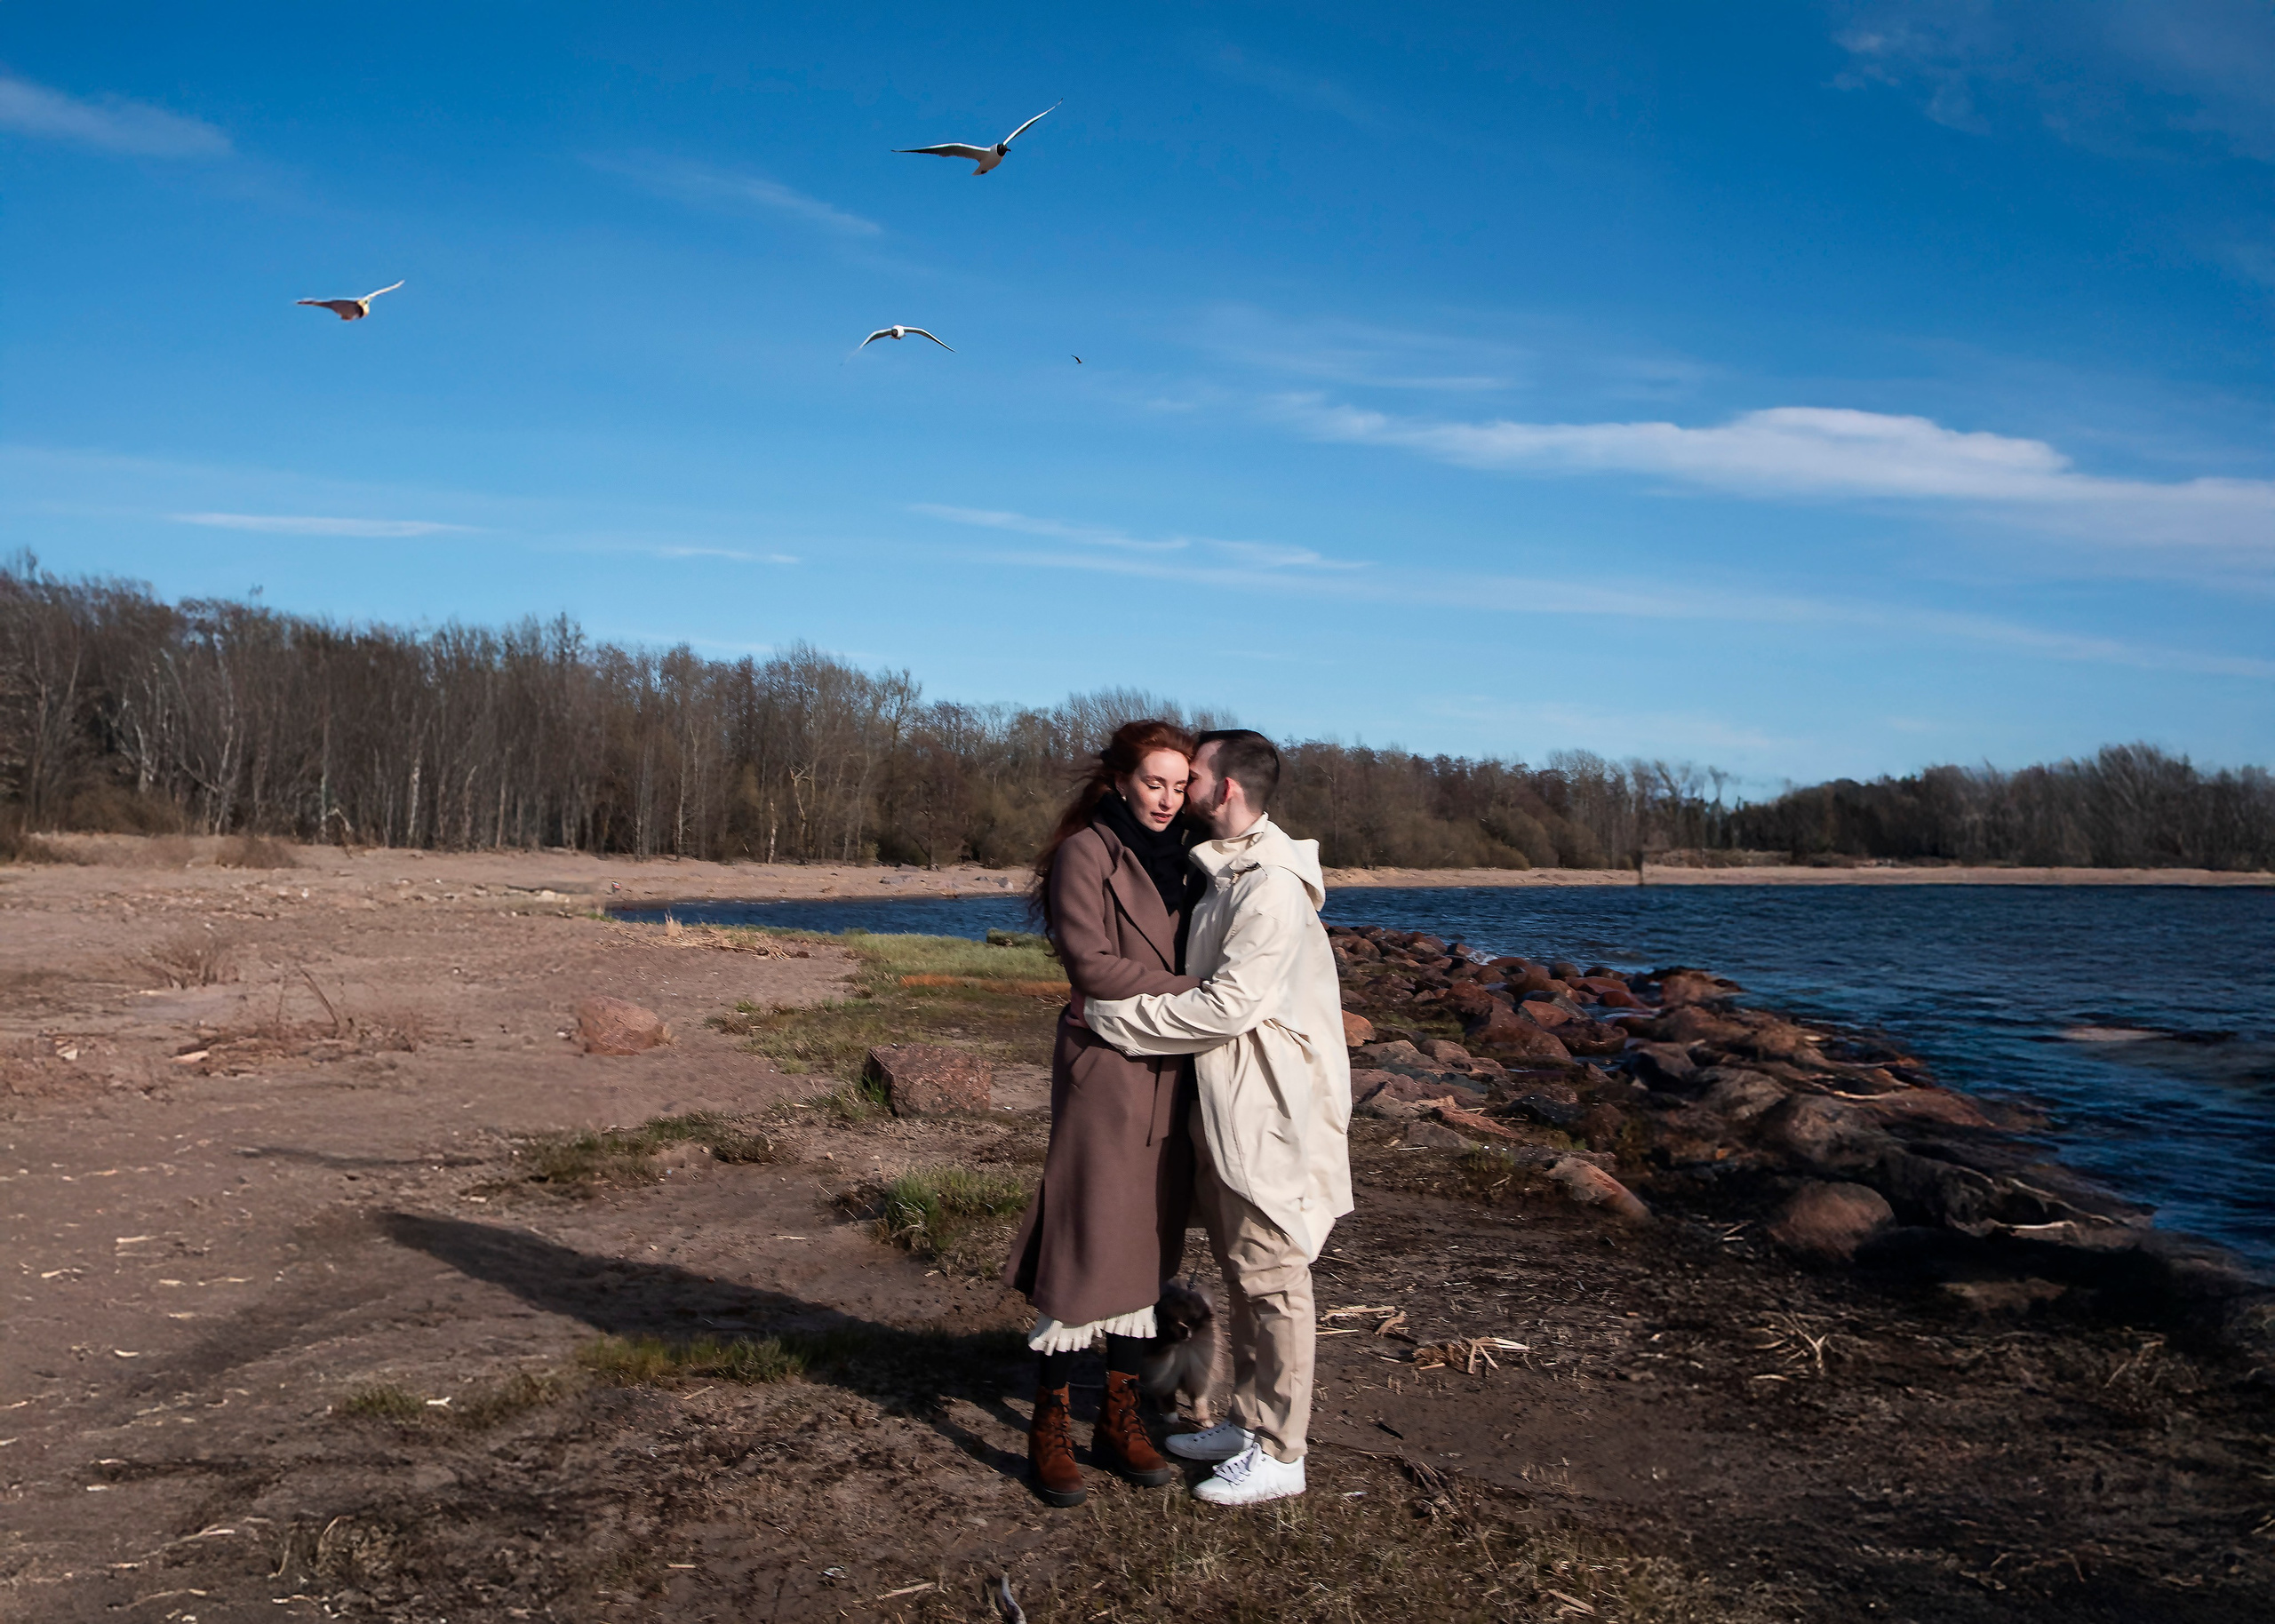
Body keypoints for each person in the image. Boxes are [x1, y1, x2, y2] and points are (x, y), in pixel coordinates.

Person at [1082, 728, 1352, 1507]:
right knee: (1243, 1272)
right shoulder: (1228, 873)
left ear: (1224, 789)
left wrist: (1119, 1020)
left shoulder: (1266, 886)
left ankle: (1282, 1452)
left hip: (1268, 1110)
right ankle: (1250, 1422)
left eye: (1192, 776)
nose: (1178, 787)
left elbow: (1230, 1006)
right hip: (1233, 1105)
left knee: (1273, 1277)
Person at [1002, 719, 1204, 1508]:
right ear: (1120, 780)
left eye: (1179, 784)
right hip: (1106, 1068)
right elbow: (1089, 964)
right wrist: (1206, 997)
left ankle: (1118, 1418)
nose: (1166, 798)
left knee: (1147, 1244)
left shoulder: (1191, 855)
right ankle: (1047, 1422)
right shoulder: (1088, 851)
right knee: (1088, 1237)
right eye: (1154, 782)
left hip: (1173, 1069)